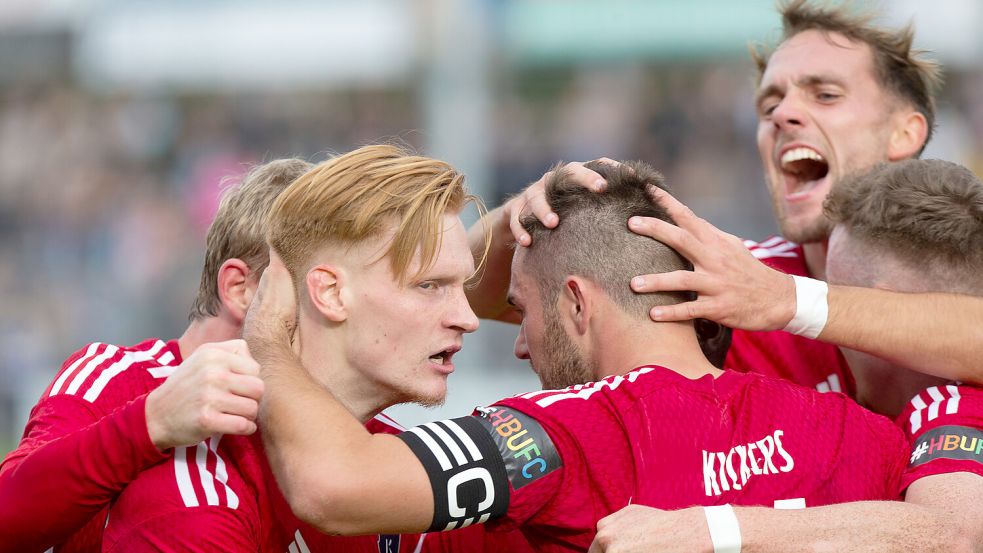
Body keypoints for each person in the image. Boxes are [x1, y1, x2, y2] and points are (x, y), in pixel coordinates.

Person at [246, 160, 912, 552]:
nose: (516, 340)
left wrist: (268, 342)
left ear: (576, 304)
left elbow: (334, 487)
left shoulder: (569, 430)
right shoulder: (868, 434)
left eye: (521, 308)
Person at [99, 145, 530, 552]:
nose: (468, 318)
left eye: (461, 287)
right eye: (429, 285)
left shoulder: (396, 466)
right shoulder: (194, 494)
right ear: (330, 293)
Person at [589, 159, 983, 552]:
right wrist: (532, 219)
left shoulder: (957, 406)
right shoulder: (756, 288)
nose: (829, 307)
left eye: (837, 289)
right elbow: (585, 296)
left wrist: (713, 529)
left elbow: (951, 536)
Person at [0, 159, 306, 552]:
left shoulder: (365, 438)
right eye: (319, 287)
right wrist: (151, 422)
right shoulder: (112, 377)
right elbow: (7, 516)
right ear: (240, 288)